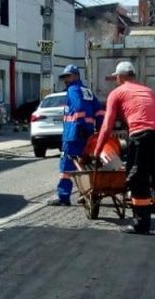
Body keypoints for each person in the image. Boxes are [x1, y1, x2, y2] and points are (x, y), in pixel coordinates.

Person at [92, 61, 155, 235]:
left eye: (116, 76)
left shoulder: (116, 93)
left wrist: (96, 152)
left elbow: (107, 126)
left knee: (137, 178)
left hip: (141, 136)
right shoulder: (148, 91)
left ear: (120, 77)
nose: (116, 79)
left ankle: (141, 224)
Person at [48, 64, 103, 207]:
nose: (66, 79)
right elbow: (99, 111)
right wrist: (98, 128)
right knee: (84, 164)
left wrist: (79, 125)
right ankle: (85, 193)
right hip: (87, 134)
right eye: (65, 77)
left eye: (68, 76)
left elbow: (78, 108)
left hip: (73, 134)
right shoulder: (88, 92)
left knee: (66, 165)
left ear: (76, 76)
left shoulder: (73, 89)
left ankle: (63, 196)